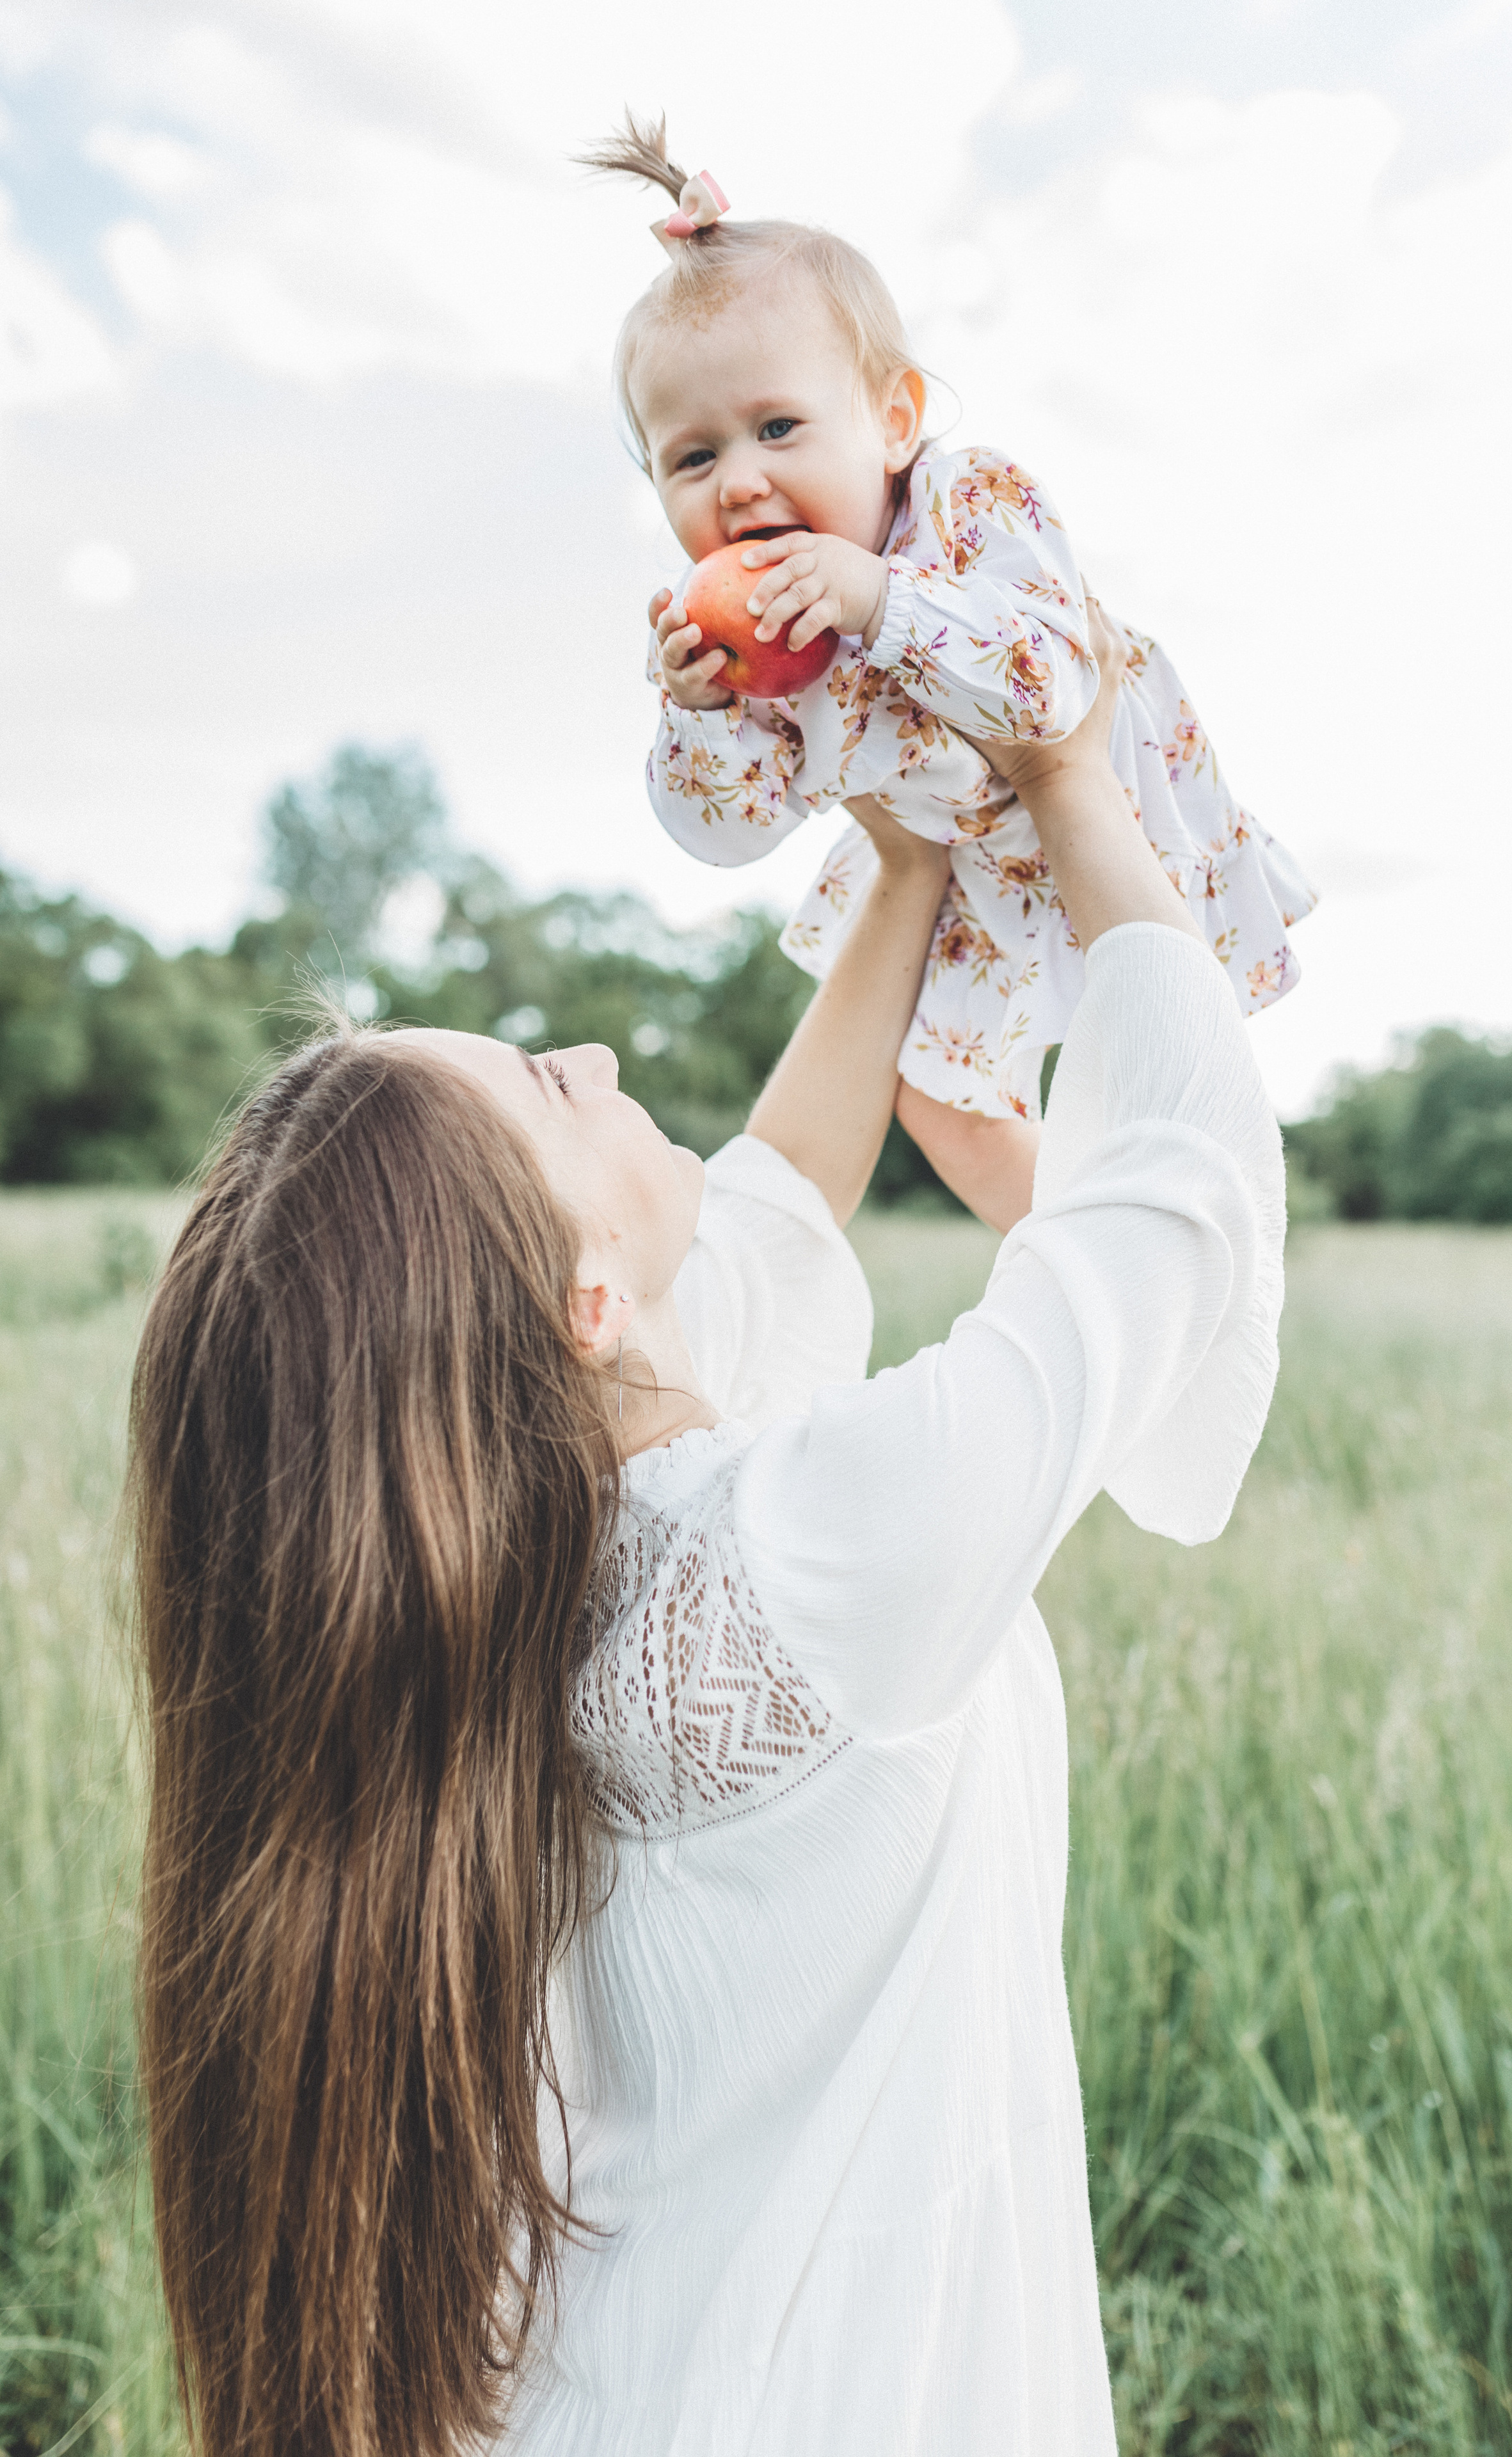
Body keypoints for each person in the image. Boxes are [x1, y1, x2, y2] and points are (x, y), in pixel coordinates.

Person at [129, 605, 1286, 2457]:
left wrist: (905, 862)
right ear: (585, 1303)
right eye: (544, 1090)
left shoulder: (543, 1527)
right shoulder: (793, 1553)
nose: (589, 1053)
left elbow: (771, 1220)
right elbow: (1168, 1211)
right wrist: (1071, 763)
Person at [580, 110, 1314, 1230]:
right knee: (940, 1102)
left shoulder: (970, 508)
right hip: (970, 867)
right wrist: (703, 717)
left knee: (1157, 1051)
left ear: (893, 419)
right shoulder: (731, 633)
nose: (737, 482)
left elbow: (1053, 697)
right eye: (694, 455)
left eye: (778, 427)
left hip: (1107, 808)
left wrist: (876, 598)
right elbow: (727, 833)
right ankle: (1091, 1272)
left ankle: (1207, 1243)